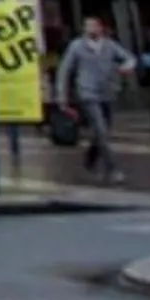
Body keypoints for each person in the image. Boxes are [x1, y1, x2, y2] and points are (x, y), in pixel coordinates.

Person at [55, 14, 138, 185]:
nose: (90, 29)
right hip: (87, 93)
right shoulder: (77, 46)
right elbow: (65, 70)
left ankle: (90, 159)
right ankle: (113, 169)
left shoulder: (109, 45)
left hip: (107, 93)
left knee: (103, 132)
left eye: (93, 26)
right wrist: (61, 96)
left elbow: (129, 58)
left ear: (101, 28)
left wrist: (125, 67)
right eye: (87, 26)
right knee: (101, 130)